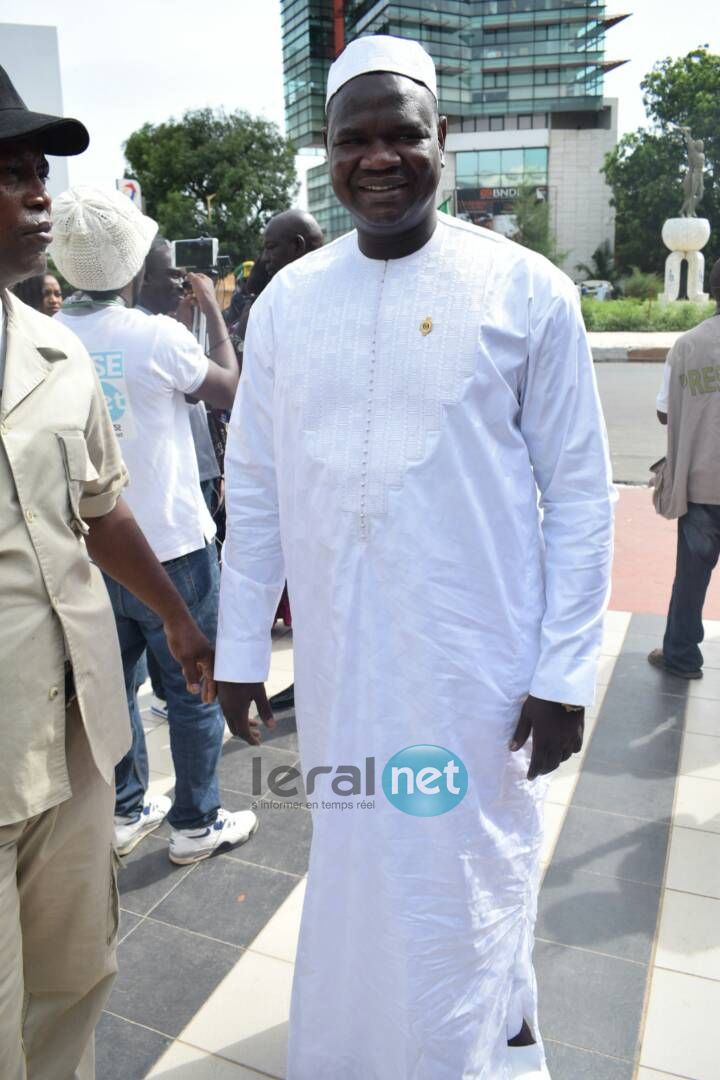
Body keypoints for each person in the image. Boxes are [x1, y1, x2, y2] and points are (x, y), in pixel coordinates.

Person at [215, 36, 614, 1080]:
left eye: (403, 134)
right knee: (355, 868)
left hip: (476, 669)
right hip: (346, 668)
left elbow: (578, 495)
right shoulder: (292, 302)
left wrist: (564, 674)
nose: (379, 158)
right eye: (356, 139)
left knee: (467, 872)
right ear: (330, 153)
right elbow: (251, 486)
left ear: (444, 140)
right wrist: (241, 648)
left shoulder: (527, 292)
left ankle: (475, 1054)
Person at [0, 65, 217, 1078]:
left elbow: (101, 507)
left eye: (37, 170)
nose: (39, 192)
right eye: (8, 172)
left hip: (75, 740)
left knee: (76, 981)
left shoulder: (57, 352)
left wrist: (177, 618)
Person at [52, 187, 258, 865]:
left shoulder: (44, 336)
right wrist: (215, 316)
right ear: (136, 263)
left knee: (114, 690)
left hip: (90, 551)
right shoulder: (158, 337)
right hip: (172, 550)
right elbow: (231, 391)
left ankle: (125, 807)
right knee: (194, 688)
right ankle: (195, 824)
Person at [648, 257, 720, 679]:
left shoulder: (688, 345)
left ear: (711, 291)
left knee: (691, 580)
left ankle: (682, 656)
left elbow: (663, 413)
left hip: (701, 486)